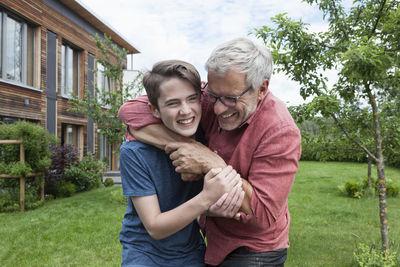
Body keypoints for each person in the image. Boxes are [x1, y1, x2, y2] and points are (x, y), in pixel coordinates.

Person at [119, 38, 301, 266]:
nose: (216, 108)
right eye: (212, 95)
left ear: (261, 89)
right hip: (207, 241)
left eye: (230, 99)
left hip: (253, 250)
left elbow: (263, 215)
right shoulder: (211, 95)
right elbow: (130, 112)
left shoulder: (279, 131)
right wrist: (190, 148)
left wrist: (212, 162)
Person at [119, 59, 243, 267]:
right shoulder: (134, 152)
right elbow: (155, 227)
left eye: (192, 99)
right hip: (144, 254)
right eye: (173, 103)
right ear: (154, 109)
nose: (185, 111)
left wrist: (215, 207)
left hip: (190, 250)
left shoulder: (205, 136)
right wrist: (207, 198)